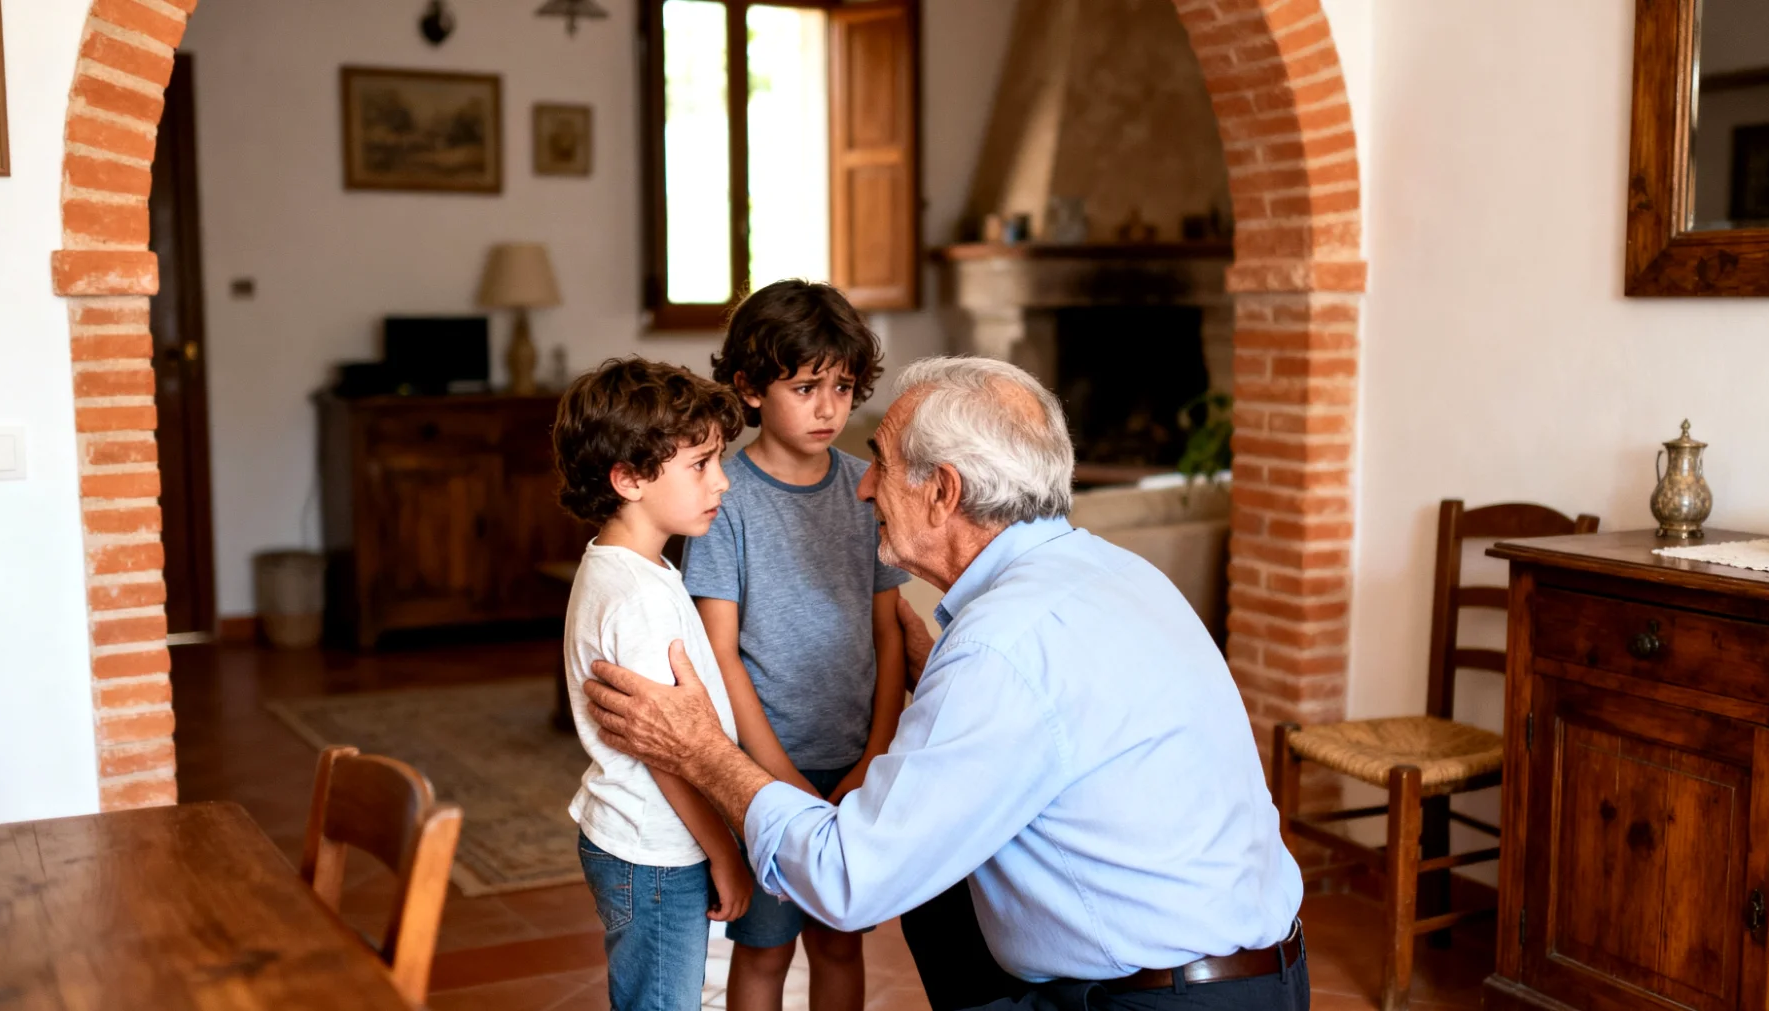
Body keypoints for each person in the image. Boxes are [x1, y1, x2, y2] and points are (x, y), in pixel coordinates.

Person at [582, 355, 1308, 1011]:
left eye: (881, 462)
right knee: (935, 888)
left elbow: (845, 880)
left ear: (943, 491)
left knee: (905, 879)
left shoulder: (1002, 647)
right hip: (1252, 974)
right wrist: (947, 682)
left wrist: (705, 752)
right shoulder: (1113, 571)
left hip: (1156, 1001)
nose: (863, 486)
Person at [682, 279, 911, 1011]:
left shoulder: (868, 488)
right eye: (805, 387)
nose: (828, 408)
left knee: (841, 942)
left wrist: (875, 755)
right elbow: (719, 654)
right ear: (750, 388)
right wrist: (774, 780)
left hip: (854, 764)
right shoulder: (723, 501)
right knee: (765, 948)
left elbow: (888, 631)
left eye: (842, 387)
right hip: (763, 767)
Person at [551, 357, 753, 1011]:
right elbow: (663, 748)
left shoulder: (629, 566)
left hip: (644, 840)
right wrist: (722, 849)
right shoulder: (635, 595)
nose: (721, 480)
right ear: (629, 478)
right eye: (700, 464)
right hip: (656, 852)